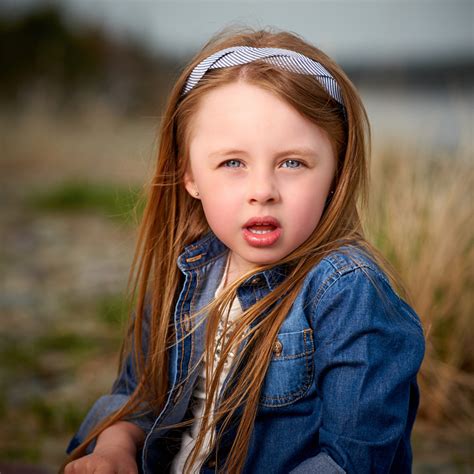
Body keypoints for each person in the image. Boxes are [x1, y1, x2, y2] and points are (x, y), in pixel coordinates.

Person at [62, 27, 425, 474]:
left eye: (292, 162)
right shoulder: (186, 270)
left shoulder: (347, 292)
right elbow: (139, 396)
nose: (262, 191)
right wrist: (115, 447)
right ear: (190, 174)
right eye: (233, 162)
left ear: (336, 172)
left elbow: (353, 461)